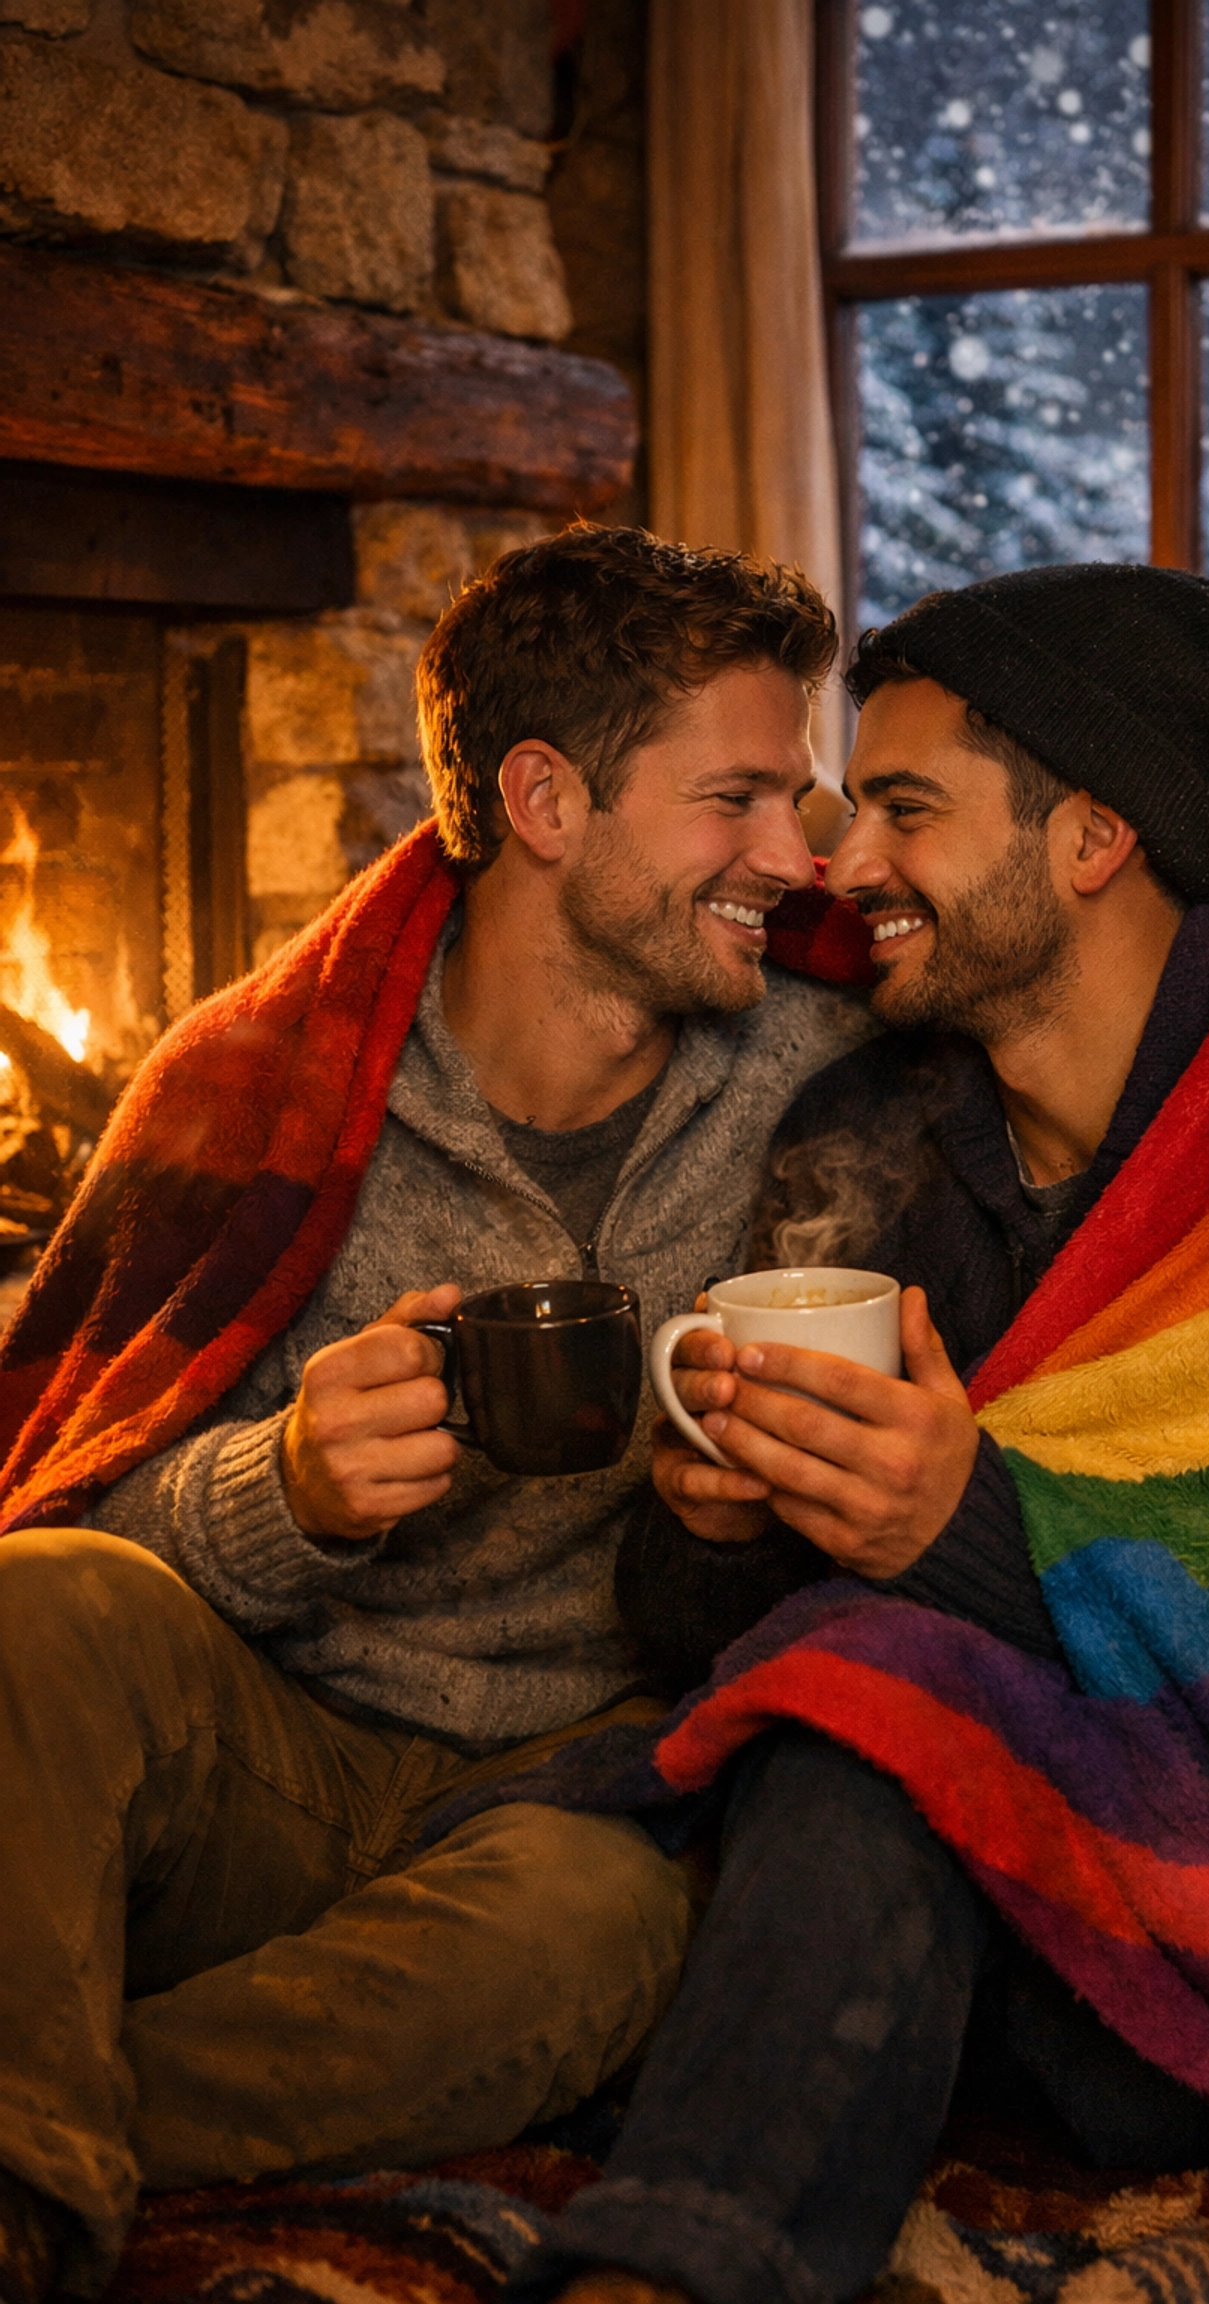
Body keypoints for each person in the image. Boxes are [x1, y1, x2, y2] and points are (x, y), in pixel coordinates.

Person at [476, 564, 1209, 2304]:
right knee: (848, 1711)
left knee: (885, 1686)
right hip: (1014, 1900)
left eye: (903, 810)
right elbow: (696, 1639)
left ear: (1093, 837)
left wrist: (965, 1530)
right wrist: (719, 1523)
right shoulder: (865, 1137)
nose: (840, 868)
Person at [0, 526, 875, 2302]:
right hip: (268, 1760)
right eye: (738, 799)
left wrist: (747, 1505)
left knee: (611, 1927)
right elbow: (68, 1497)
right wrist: (287, 1489)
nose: (799, 857)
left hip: (570, 1796)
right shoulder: (259, 1083)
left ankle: (55, 2104)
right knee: (31, 1611)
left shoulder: (821, 1068)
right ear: (546, 800)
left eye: (801, 795)